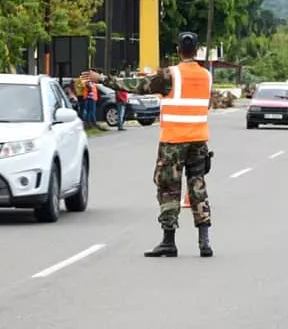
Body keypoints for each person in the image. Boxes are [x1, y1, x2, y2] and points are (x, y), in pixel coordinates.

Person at [81, 31, 214, 258]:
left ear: (178, 50)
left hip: (173, 140)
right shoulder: (206, 76)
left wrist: (102, 79)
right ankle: (204, 241)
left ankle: (168, 241)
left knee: (168, 188)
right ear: (196, 50)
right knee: (197, 186)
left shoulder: (170, 75)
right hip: (199, 139)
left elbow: (137, 85)